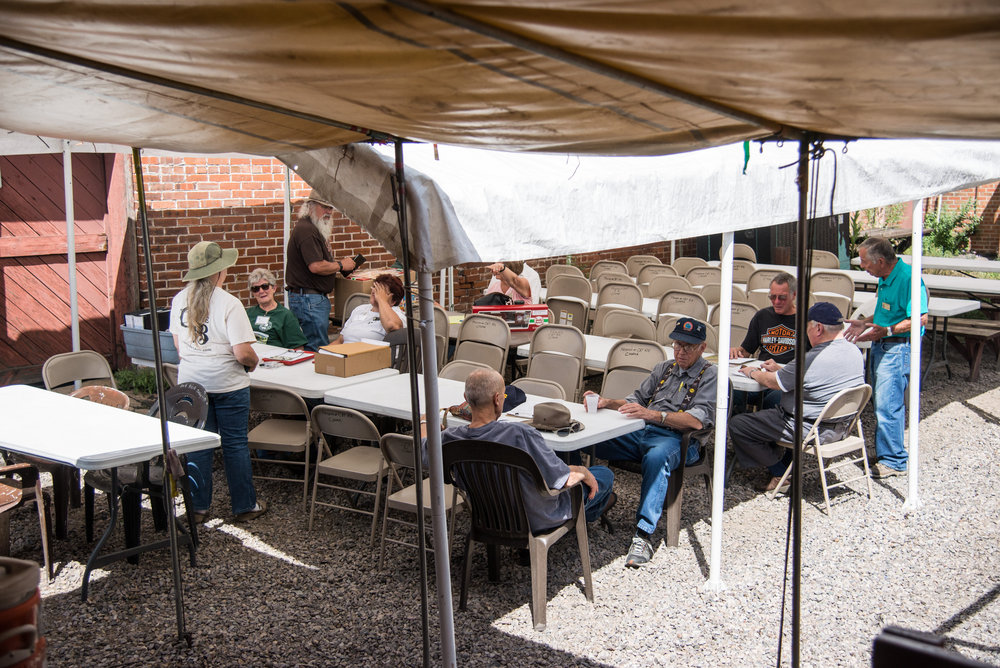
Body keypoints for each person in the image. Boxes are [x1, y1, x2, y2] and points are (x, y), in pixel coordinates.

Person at [585, 317, 717, 568]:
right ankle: (581, 507)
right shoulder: (664, 368)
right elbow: (635, 400)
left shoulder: (710, 375)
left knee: (657, 456)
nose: (681, 351)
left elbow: (696, 422)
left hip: (679, 440)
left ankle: (643, 534)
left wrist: (654, 415)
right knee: (583, 438)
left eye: (688, 347)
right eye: (677, 345)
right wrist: (606, 402)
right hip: (643, 430)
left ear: (703, 347)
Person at [425, 368, 616, 533]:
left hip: (488, 514)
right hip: (536, 518)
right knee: (603, 475)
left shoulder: (450, 439)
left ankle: (592, 509)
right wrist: (581, 471)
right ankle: (593, 510)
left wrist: (424, 420)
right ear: (498, 399)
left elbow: (424, 452)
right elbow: (561, 480)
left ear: (466, 399)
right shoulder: (520, 434)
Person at [169, 241, 267, 523]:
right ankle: (245, 506)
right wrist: (254, 362)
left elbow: (178, 345)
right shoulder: (229, 303)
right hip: (227, 385)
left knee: (199, 445)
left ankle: (198, 509)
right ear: (219, 271)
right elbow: (242, 352)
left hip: (192, 387)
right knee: (235, 445)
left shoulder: (179, 300)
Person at [730, 302, 865, 492]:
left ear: (818, 328)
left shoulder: (810, 359)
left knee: (739, 424)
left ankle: (780, 474)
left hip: (807, 427)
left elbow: (772, 383)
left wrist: (751, 372)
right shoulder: (854, 351)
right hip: (841, 426)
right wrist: (782, 369)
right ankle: (786, 465)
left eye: (806, 327)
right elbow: (815, 377)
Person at [845, 237, 928, 478]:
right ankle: (887, 452)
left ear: (881, 261)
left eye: (865, 262)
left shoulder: (908, 279)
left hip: (897, 346)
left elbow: (920, 319)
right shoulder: (885, 277)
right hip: (884, 344)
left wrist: (888, 330)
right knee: (883, 402)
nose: (862, 266)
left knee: (888, 404)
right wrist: (866, 323)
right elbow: (889, 313)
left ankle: (894, 460)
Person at [284, 191, 358, 351]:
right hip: (309, 299)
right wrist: (340, 265)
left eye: (331, 208)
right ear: (310, 206)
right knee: (317, 349)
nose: (329, 212)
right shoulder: (307, 230)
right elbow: (316, 266)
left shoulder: (309, 228)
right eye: (325, 207)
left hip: (309, 298)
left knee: (314, 346)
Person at [730, 272, 800, 411]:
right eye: (772, 297)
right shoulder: (762, 316)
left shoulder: (805, 321)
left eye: (782, 298)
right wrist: (736, 351)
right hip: (759, 375)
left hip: (785, 381)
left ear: (794, 295)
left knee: (774, 401)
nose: (776, 302)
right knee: (731, 393)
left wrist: (781, 370)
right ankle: (734, 429)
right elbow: (746, 351)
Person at [332, 273, 405, 344]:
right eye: (375, 287)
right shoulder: (359, 309)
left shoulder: (396, 314)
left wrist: (381, 300)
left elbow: (393, 326)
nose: (374, 292)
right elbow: (340, 340)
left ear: (393, 301)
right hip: (344, 352)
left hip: (370, 355)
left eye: (381, 291)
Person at [245, 267, 307, 349]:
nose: (261, 291)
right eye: (256, 289)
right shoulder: (248, 314)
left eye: (265, 286)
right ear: (253, 293)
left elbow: (298, 347)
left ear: (274, 288)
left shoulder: (286, 315)